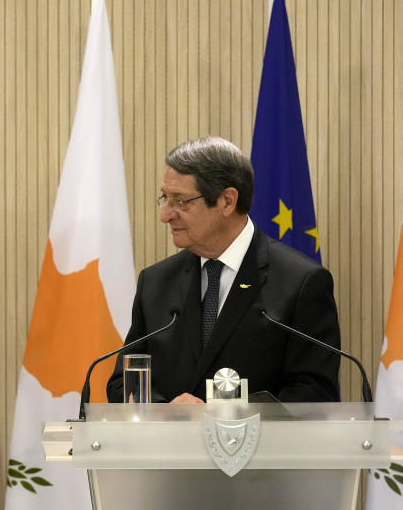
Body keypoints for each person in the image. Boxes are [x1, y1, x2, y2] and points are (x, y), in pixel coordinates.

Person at [106, 136, 340, 403]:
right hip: (169, 444)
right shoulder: (156, 282)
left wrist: (225, 417)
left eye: (181, 201)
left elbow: (314, 392)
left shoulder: (301, 282)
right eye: (165, 199)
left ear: (227, 201)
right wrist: (166, 412)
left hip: (260, 444)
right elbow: (123, 382)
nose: (166, 214)